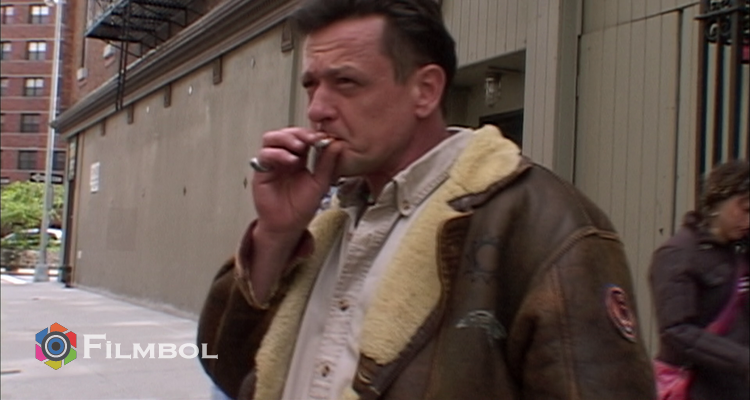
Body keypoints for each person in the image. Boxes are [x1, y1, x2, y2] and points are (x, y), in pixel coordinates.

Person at [197, 0, 655, 399]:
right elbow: (224, 366)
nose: (318, 108)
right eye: (311, 84)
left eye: (346, 82)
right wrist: (275, 236)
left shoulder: (544, 225)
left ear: (426, 90)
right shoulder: (328, 222)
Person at [650, 160, 749, 400]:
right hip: (697, 390)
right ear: (718, 202)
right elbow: (676, 331)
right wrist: (742, 360)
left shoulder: (740, 251)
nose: (748, 221)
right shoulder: (678, 254)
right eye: (745, 209)